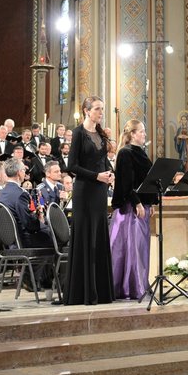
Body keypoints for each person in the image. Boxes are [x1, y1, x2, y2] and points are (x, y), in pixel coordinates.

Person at [65, 96, 115, 305]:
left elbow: (103, 161)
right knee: (86, 238)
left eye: (102, 109)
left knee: (99, 238)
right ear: (86, 110)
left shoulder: (101, 135)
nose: (100, 113)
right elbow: (72, 166)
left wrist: (110, 173)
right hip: (84, 191)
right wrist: (97, 176)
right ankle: (83, 293)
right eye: (97, 109)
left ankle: (101, 292)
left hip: (100, 191)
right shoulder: (78, 133)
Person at [110, 119, 155, 300]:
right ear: (132, 134)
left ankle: (140, 284)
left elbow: (147, 181)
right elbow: (126, 182)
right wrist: (137, 203)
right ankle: (129, 288)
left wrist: (151, 203)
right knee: (130, 249)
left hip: (142, 206)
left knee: (141, 248)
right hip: (130, 208)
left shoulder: (141, 153)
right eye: (142, 131)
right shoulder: (125, 153)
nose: (144, 134)